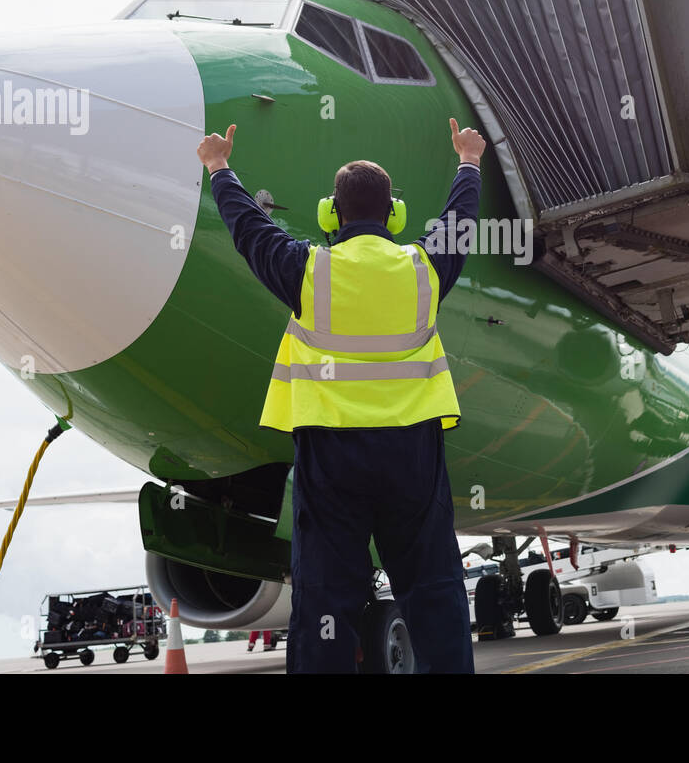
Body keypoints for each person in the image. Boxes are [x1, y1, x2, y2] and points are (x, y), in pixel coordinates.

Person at [197, 116, 484, 674]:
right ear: (393, 214)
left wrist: (219, 168)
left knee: (327, 596)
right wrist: (467, 161)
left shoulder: (309, 271)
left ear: (332, 212)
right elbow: (459, 223)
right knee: (434, 587)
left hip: (332, 455)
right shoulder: (422, 271)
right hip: (413, 453)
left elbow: (249, 230)